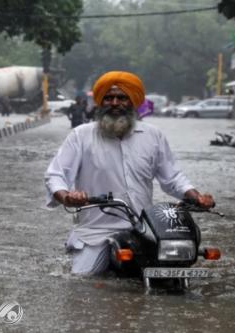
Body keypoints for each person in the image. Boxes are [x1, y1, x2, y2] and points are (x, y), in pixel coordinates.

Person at [44, 71, 215, 275]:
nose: (115, 103)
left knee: (175, 269)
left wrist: (197, 196)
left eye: (122, 97)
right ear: (100, 102)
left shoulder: (153, 136)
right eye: (108, 97)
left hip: (145, 230)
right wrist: (68, 196)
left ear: (133, 102)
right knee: (83, 280)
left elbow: (173, 178)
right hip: (96, 232)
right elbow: (55, 175)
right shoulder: (81, 136)